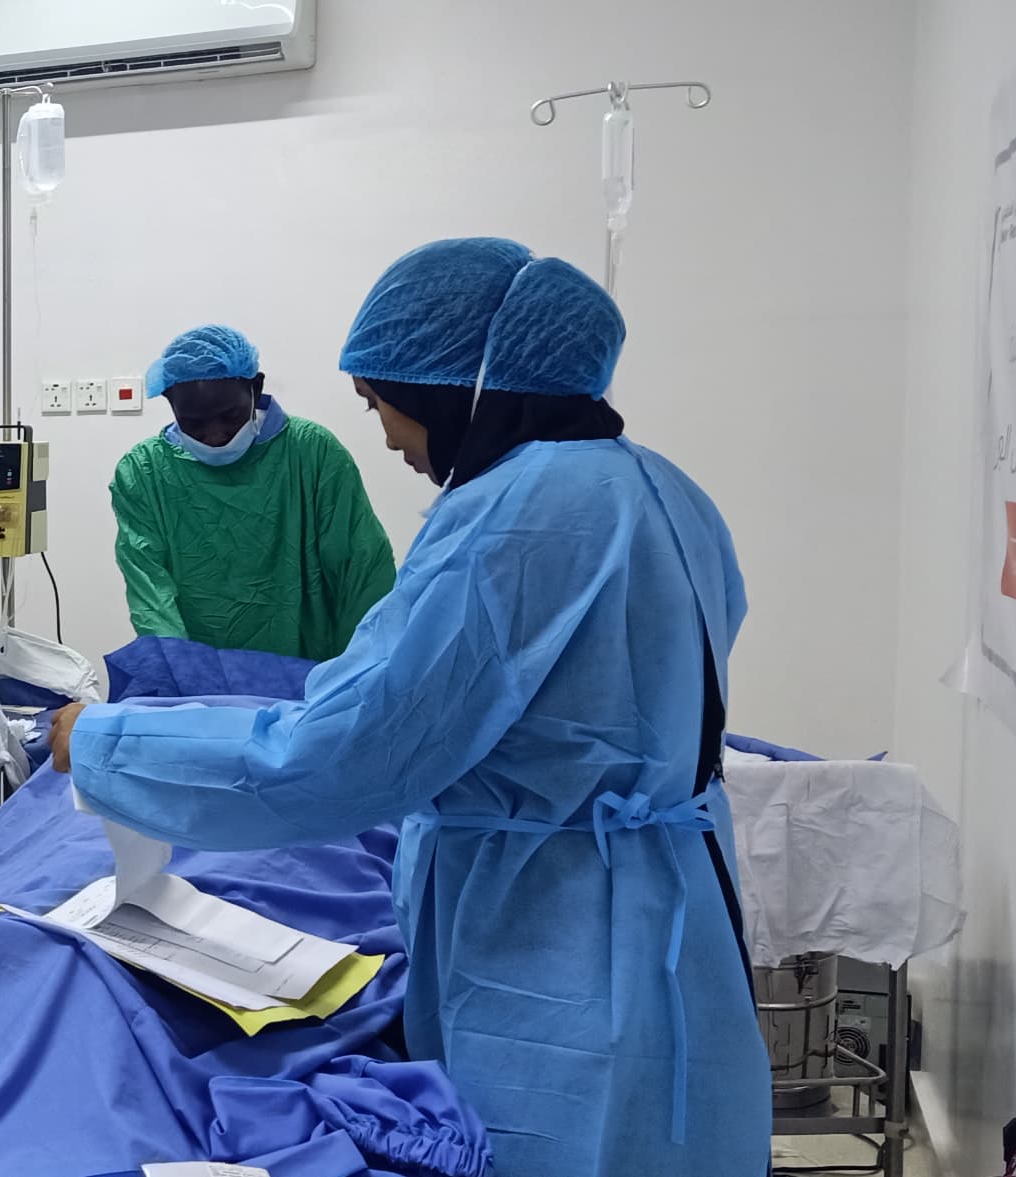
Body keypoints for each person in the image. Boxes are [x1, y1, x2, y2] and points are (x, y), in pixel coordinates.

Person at [50, 239, 767, 1176]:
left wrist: (105, 744)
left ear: (455, 388)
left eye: (379, 403)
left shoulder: (514, 515)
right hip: (678, 914)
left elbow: (338, 754)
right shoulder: (662, 487)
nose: (388, 437)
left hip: (557, 939)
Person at [111, 324, 396, 660]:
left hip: (312, 671)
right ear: (170, 403)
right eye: (194, 423)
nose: (215, 436)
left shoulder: (312, 453)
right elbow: (151, 593)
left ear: (256, 386)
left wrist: (355, 670)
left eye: (229, 416)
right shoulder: (143, 472)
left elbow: (362, 572)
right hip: (198, 675)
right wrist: (181, 673)